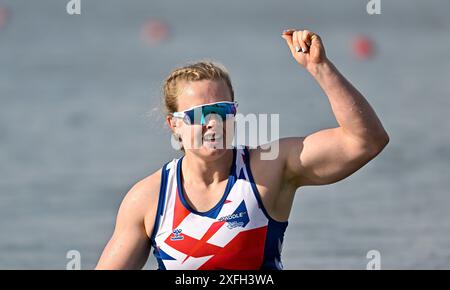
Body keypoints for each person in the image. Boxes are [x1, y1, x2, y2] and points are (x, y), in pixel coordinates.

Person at [96, 29, 389, 270]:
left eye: (223, 110)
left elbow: (366, 141)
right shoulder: (147, 199)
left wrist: (320, 68)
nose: (213, 123)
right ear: (174, 125)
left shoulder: (270, 168)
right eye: (200, 114)